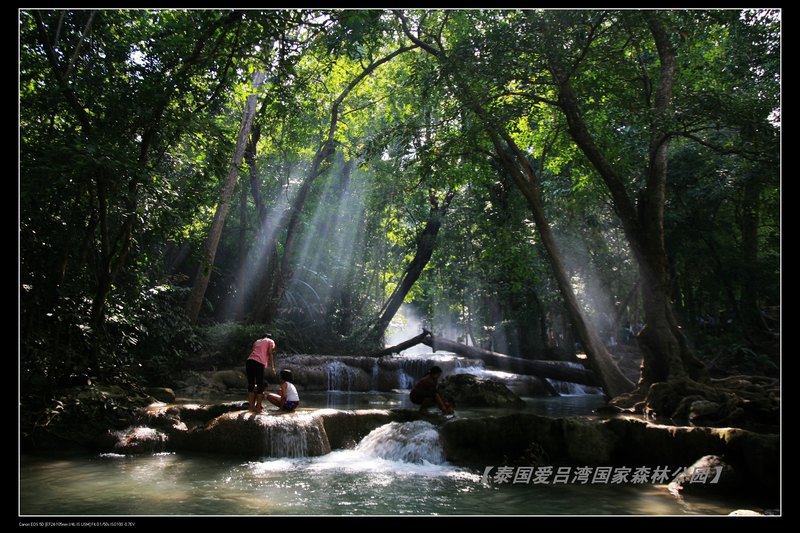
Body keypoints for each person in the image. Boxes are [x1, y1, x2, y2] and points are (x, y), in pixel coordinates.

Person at [245, 333, 276, 412]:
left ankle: (251, 407)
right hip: (258, 362)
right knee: (260, 384)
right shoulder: (270, 341)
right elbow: (270, 353)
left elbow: (254, 352)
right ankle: (258, 407)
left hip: (249, 361)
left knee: (251, 384)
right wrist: (272, 367)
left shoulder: (257, 341)